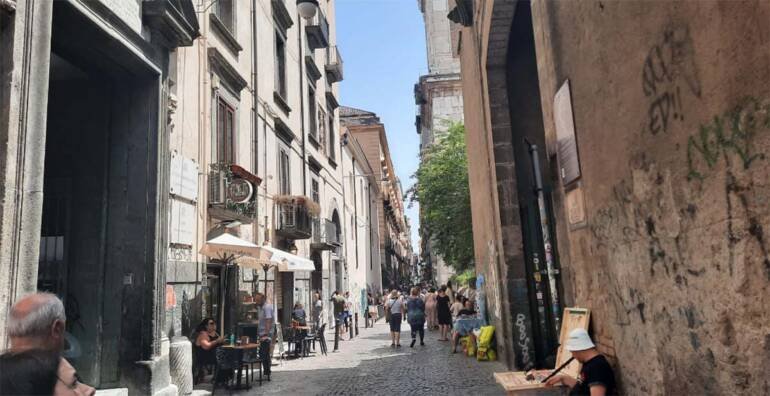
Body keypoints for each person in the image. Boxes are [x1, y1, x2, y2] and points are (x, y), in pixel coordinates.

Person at [8, 292, 95, 396]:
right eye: (73, 384)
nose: (90, 390)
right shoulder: (50, 373)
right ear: (57, 328)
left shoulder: (8, 375)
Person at [544, 328, 616, 395]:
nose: (573, 356)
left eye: (572, 352)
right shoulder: (589, 363)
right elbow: (582, 387)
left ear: (578, 349)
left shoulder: (597, 367)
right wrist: (562, 378)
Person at [193, 317, 226, 384]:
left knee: (226, 356)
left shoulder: (215, 333)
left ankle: (221, 378)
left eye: (215, 323)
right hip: (204, 357)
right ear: (206, 326)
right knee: (223, 358)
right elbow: (206, 346)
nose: (214, 325)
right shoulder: (203, 334)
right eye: (211, 323)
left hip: (213, 355)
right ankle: (218, 379)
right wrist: (217, 341)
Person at [255, 292, 274, 381]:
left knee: (263, 354)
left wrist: (266, 335)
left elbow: (268, 321)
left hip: (266, 335)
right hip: (262, 333)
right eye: (256, 300)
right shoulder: (260, 308)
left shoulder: (267, 307)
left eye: (258, 300)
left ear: (263, 299)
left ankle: (266, 373)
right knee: (264, 354)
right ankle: (267, 373)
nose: (256, 301)